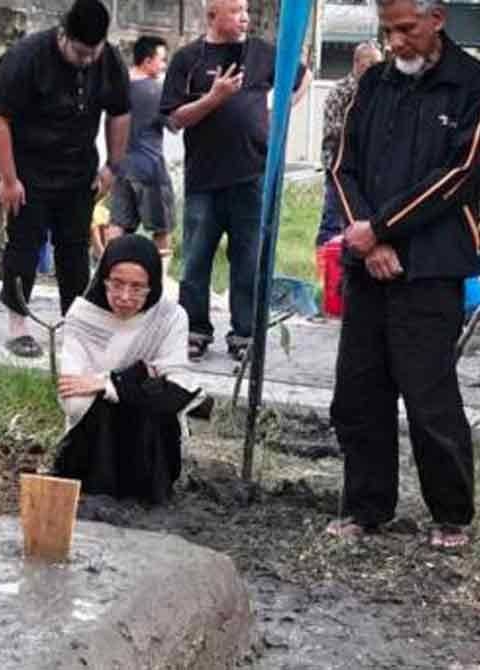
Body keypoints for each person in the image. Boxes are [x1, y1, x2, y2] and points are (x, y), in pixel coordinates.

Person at [327, 0, 480, 548]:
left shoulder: (470, 85)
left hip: (432, 264)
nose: (395, 42)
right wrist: (366, 240)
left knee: (428, 395)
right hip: (367, 261)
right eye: (387, 30)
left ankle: (451, 514)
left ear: (437, 19)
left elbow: (461, 175)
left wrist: (386, 228)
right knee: (358, 390)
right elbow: (341, 165)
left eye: (406, 29)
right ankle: (367, 507)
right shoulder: (373, 86)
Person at [160, 0, 311, 362]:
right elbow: (175, 119)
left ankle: (244, 334)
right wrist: (214, 98)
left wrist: (283, 107)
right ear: (213, 15)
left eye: (246, 9)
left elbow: (301, 75)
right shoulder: (188, 59)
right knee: (195, 260)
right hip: (204, 179)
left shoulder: (260, 53)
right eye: (236, 10)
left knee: (247, 260)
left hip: (251, 175)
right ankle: (194, 331)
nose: (245, 17)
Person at [0, 0, 131, 359]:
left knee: (74, 250)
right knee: (24, 246)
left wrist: (113, 165)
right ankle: (18, 327)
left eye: (92, 53)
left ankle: (77, 327)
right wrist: (8, 179)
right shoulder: (27, 57)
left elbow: (120, 112)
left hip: (78, 172)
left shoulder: (108, 61)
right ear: (63, 35)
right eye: (80, 53)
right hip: (27, 172)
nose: (86, 60)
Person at [53, 235, 204, 503]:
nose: (124, 297)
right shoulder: (82, 317)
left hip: (150, 439)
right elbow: (73, 399)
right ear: (103, 279)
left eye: (137, 288)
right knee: (104, 407)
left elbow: (178, 389)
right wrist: (142, 376)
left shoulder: (170, 318)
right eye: (117, 284)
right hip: (94, 436)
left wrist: (110, 383)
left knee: (150, 407)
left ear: (153, 285)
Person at [110, 35, 177, 264]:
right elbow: (175, 124)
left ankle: (109, 270)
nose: (164, 65)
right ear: (147, 61)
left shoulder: (120, 87)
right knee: (161, 228)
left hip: (121, 167)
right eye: (161, 60)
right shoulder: (157, 91)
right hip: (151, 167)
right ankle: (160, 281)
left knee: (118, 225)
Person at [316, 41, 383, 247]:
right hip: (339, 166)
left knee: (363, 219)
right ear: (356, 62)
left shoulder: (381, 93)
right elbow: (334, 130)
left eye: (378, 63)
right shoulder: (340, 91)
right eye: (369, 62)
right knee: (332, 218)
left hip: (369, 168)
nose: (375, 67)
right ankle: (325, 262)